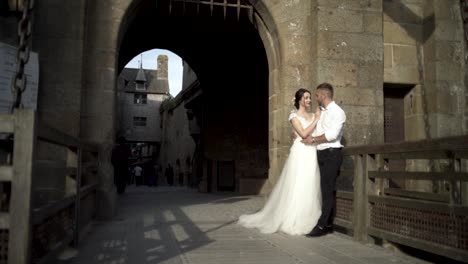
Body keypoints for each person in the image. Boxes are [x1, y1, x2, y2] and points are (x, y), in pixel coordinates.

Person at [238, 88, 322, 235]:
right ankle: (294, 218)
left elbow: (313, 132)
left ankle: (310, 217)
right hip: (301, 152)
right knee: (298, 183)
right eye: (307, 98)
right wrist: (316, 119)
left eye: (310, 98)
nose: (309, 100)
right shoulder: (293, 116)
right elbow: (302, 134)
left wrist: (314, 120)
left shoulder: (311, 114)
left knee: (310, 183)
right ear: (300, 100)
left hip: (312, 151)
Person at [302, 82, 346, 237]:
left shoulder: (338, 112)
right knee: (324, 189)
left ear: (324, 95)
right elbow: (316, 128)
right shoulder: (320, 111)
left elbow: (332, 135)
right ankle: (328, 223)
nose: (316, 97)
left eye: (317, 95)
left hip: (332, 154)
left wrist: (313, 139)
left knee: (327, 189)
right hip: (321, 153)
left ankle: (321, 226)